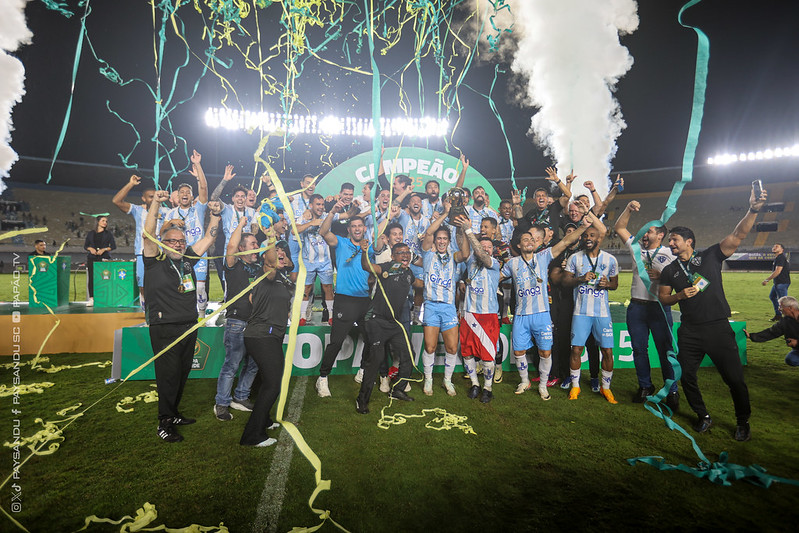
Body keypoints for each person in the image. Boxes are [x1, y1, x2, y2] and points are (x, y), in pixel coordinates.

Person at [658, 185, 767, 442]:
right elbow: (663, 297)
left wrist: (752, 210)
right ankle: (703, 415)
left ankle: (742, 421)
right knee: (685, 376)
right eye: (669, 240)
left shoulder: (709, 256)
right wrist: (679, 296)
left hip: (717, 327)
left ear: (689, 242)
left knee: (735, 380)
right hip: (690, 331)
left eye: (674, 239)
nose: (670, 243)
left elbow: (738, 235)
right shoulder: (669, 270)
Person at [143, 191, 222, 442]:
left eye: (181, 240)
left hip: (189, 326)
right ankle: (164, 423)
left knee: (181, 374)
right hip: (165, 327)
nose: (178, 244)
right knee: (168, 377)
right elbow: (147, 232)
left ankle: (174, 413)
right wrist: (156, 203)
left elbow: (209, 238)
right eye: (173, 240)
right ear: (162, 242)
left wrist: (216, 215)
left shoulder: (187, 259)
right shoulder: (153, 261)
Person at [502, 218, 590, 400]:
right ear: (518, 245)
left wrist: (583, 226)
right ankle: (524, 381)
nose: (529, 241)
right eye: (525, 239)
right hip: (521, 315)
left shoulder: (543, 257)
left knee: (545, 352)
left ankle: (543, 385)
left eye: (532, 239)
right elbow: (496, 277)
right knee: (518, 352)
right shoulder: (512, 263)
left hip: (542, 315)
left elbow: (565, 241)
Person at [614, 201, 678, 408]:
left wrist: (664, 276)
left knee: (665, 351)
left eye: (649, 231)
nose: (644, 234)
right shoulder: (636, 248)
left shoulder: (670, 253)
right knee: (639, 350)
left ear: (660, 235)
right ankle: (645, 386)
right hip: (637, 308)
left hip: (659, 308)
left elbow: (683, 279)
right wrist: (628, 209)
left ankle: (672, 390)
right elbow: (619, 228)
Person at [240, 227, 294, 447]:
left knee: (266, 381)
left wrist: (286, 260)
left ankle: (265, 420)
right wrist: (271, 239)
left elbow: (291, 270)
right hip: (262, 335)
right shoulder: (267, 273)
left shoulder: (282, 278)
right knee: (273, 384)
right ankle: (252, 435)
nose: (280, 254)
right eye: (276, 252)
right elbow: (271, 262)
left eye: (283, 253)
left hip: (271, 335)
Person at [355, 241, 424, 413]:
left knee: (409, 354)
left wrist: (436, 279)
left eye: (407, 252)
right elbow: (367, 266)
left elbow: (419, 284)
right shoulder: (387, 268)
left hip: (394, 324)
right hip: (376, 322)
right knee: (376, 359)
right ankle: (362, 399)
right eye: (401, 253)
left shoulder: (408, 272)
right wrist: (364, 252)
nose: (405, 255)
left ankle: (398, 389)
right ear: (393, 256)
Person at [315, 203, 372, 398]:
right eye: (353, 226)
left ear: (364, 229)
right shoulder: (341, 243)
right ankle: (323, 378)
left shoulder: (369, 247)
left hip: (365, 300)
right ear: (349, 230)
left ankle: (362, 370)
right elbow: (323, 232)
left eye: (360, 226)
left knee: (371, 339)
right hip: (345, 300)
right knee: (337, 342)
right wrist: (332, 212)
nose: (357, 229)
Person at [562, 227, 619, 404]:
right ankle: (575, 386)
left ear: (599, 238)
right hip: (581, 312)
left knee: (607, 351)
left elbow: (615, 284)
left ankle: (606, 388)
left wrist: (607, 284)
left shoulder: (610, 259)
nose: (588, 238)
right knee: (576, 350)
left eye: (592, 235)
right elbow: (565, 281)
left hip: (602, 313)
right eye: (585, 235)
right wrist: (580, 278)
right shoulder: (575, 258)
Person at [213, 217, 262, 422]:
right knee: (232, 365)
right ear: (242, 248)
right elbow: (231, 247)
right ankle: (221, 403)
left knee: (254, 363)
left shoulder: (258, 267)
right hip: (237, 322)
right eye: (253, 244)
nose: (257, 247)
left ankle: (240, 397)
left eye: (257, 244)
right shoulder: (233, 265)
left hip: (256, 323)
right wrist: (241, 225)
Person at [419, 201, 469, 396]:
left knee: (452, 347)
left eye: (444, 239)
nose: (441, 241)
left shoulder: (453, 255)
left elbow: (466, 254)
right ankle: (428, 380)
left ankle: (447, 380)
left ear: (448, 241)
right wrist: (446, 214)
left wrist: (463, 229)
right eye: (439, 238)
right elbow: (428, 233)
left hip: (448, 307)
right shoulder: (428, 254)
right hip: (431, 306)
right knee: (430, 347)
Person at [456, 216, 502, 403]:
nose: (485, 249)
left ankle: (488, 388)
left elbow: (482, 255)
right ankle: (475, 384)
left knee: (488, 356)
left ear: (493, 250)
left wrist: (469, 231)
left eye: (489, 247)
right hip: (469, 314)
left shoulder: (494, 264)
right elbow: (463, 245)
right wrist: (460, 228)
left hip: (487, 316)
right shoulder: (470, 262)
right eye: (482, 246)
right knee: (467, 352)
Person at [112, 174, 169, 306]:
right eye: (150, 196)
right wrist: (131, 184)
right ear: (143, 199)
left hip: (162, 253)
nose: (154, 198)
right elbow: (116, 201)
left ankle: (162, 307)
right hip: (142, 252)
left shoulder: (167, 211)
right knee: (143, 284)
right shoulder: (137, 210)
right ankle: (145, 309)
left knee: (163, 282)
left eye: (155, 196)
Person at [164, 150, 209, 313]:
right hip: (180, 254)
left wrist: (198, 164)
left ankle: (201, 315)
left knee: (200, 287)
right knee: (184, 286)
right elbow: (162, 232)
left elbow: (203, 187)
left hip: (199, 253)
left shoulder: (198, 209)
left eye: (188, 192)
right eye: (182, 192)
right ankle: (187, 312)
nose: (185, 194)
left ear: (191, 196)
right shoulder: (171, 213)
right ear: (178, 196)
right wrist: (171, 223)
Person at [210, 164, 258, 293]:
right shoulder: (227, 209)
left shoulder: (252, 212)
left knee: (249, 287)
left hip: (247, 255)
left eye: (243, 196)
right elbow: (214, 198)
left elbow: (255, 231)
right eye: (237, 196)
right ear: (233, 199)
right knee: (231, 286)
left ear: (246, 198)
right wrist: (225, 180)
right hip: (231, 253)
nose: (240, 199)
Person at [293, 194, 335, 326]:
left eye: (322, 204)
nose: (321, 207)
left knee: (328, 288)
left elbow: (345, 216)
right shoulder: (305, 217)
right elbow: (294, 230)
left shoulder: (327, 216)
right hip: (308, 261)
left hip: (325, 261)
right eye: (318, 204)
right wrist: (311, 223)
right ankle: (303, 316)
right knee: (306, 288)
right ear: (311, 205)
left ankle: (331, 316)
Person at [746, 296, 799, 366]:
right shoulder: (785, 321)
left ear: (790, 308)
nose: (779, 309)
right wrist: (751, 336)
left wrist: (797, 343)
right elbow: (771, 332)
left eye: (781, 307)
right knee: (791, 360)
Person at [84, 215, 116, 306]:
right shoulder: (91, 233)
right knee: (91, 278)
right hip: (92, 258)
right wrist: (90, 249)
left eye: (106, 221)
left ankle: (104, 297)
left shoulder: (108, 234)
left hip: (104, 258)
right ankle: (92, 298)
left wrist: (104, 249)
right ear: (98, 222)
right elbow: (85, 246)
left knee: (104, 277)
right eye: (103, 221)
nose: (105, 223)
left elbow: (113, 246)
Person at [763, 243, 791, 321]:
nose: (774, 247)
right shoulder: (778, 258)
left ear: (782, 250)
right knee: (772, 296)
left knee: (783, 302)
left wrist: (767, 279)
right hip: (778, 283)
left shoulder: (780, 258)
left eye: (777, 247)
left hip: (782, 283)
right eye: (774, 246)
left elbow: (778, 271)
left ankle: (788, 318)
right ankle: (778, 315)